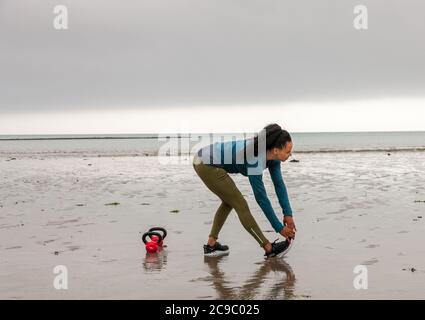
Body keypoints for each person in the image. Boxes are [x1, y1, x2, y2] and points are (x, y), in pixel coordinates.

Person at [192, 123, 297, 258]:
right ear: (276, 150)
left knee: (229, 201)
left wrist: (288, 214)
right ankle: (269, 248)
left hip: (206, 159)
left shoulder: (273, 158)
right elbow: (261, 198)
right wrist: (279, 228)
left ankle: (211, 245)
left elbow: (279, 185)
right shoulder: (254, 159)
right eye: (288, 151)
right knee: (240, 203)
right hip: (205, 163)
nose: (290, 155)